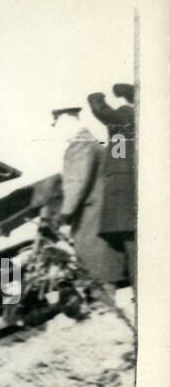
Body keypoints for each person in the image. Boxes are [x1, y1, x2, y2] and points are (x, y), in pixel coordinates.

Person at [53, 106, 126, 286]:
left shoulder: (79, 144)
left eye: (58, 124)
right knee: (101, 274)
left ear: (69, 119)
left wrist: (63, 217)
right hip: (100, 216)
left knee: (95, 277)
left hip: (90, 218)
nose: (57, 130)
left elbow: (76, 184)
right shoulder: (91, 141)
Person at [86, 84, 137, 291]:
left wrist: (97, 96)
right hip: (125, 187)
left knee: (129, 245)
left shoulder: (125, 114)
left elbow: (101, 110)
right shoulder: (121, 130)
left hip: (122, 193)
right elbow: (118, 151)